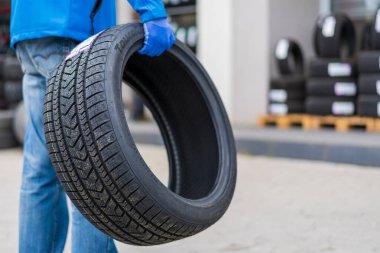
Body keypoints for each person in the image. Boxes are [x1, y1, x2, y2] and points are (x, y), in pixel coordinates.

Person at [10, 0, 175, 252]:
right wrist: (151, 11)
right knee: (91, 175)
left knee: (41, 168)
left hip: (30, 31)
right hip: (73, 29)